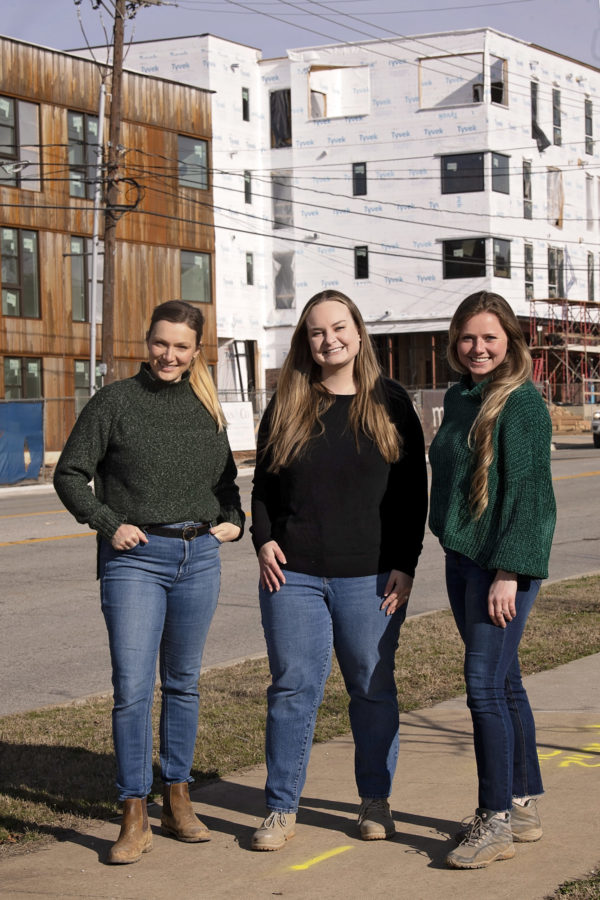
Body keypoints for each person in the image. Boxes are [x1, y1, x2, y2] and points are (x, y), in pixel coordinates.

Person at [54, 300, 244, 865]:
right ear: (147, 340)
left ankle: (178, 799)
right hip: (135, 561)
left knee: (183, 683)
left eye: (181, 346)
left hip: (198, 558)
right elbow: (70, 475)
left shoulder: (207, 406)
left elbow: (226, 485)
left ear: (196, 350)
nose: (169, 355)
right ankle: (133, 812)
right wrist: (110, 524)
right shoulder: (114, 402)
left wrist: (235, 521)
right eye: (161, 343)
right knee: (133, 688)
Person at [250, 290, 428, 851]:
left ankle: (375, 801)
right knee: (292, 689)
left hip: (371, 576)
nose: (329, 340)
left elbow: (410, 494)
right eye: (316, 332)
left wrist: (406, 563)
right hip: (293, 574)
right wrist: (263, 540)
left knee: (370, 690)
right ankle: (281, 809)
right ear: (307, 341)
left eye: (339, 327)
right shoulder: (289, 402)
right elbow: (263, 486)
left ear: (358, 331)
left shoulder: (392, 402)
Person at [428, 291, 556, 870]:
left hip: (502, 565)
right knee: (505, 685)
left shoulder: (521, 404)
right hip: (463, 559)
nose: (477, 348)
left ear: (510, 341)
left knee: (481, 686)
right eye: (468, 338)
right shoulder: (460, 398)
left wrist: (509, 572)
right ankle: (523, 803)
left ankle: (494, 819)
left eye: (489, 338)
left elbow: (530, 498)